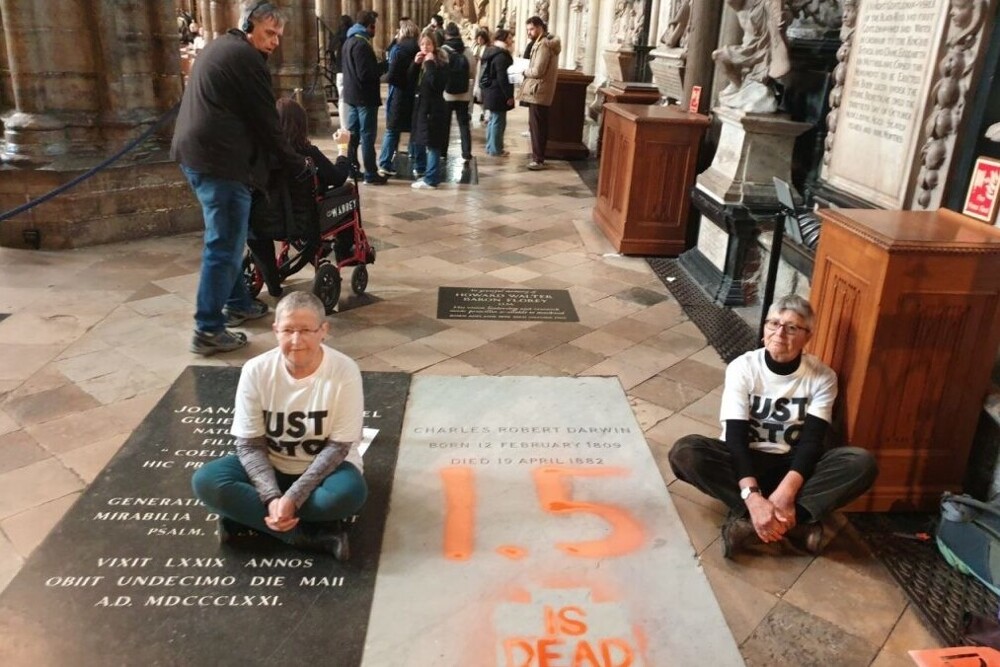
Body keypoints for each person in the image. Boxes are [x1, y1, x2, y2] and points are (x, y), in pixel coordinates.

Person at [668, 294, 878, 558]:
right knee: (685, 453)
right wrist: (753, 496)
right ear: (764, 328)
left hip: (793, 467)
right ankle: (785, 521)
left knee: (861, 463)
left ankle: (754, 523)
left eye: (791, 327)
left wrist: (787, 492)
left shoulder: (822, 377)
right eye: (773, 324)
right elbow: (735, 439)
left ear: (807, 336)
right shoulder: (743, 368)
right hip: (744, 462)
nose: (779, 333)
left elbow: (812, 442)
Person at [171, 0, 309, 356]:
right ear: (248, 26)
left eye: (278, 35)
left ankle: (238, 303)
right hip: (220, 163)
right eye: (269, 33)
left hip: (197, 156)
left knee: (228, 238)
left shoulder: (221, 46)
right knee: (224, 245)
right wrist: (297, 163)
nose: (274, 41)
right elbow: (268, 123)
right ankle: (207, 329)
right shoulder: (247, 59)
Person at [192, 291, 368, 561]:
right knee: (206, 481)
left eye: (306, 330)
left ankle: (246, 518)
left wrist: (291, 498)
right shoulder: (256, 370)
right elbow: (249, 445)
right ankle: (305, 536)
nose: (296, 341)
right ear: (275, 331)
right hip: (270, 465)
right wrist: (272, 497)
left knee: (350, 494)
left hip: (324, 472)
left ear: (323, 330)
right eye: (287, 331)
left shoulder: (344, 370)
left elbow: (338, 448)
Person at [247, 99, 353, 298]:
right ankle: (344, 250)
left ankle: (273, 284)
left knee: (256, 234)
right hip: (301, 224)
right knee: (348, 191)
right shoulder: (308, 154)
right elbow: (338, 177)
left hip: (262, 223)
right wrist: (343, 148)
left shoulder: (259, 154)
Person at [341, 10, 388, 185]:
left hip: (352, 96)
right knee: (367, 136)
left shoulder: (348, 41)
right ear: (370, 26)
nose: (375, 30)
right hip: (364, 98)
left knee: (353, 136)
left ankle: (352, 170)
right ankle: (370, 173)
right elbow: (365, 74)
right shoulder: (361, 44)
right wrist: (384, 66)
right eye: (374, 26)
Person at [377, 19, 421, 177]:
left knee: (392, 129)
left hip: (399, 94)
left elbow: (393, 75)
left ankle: (384, 163)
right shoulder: (418, 50)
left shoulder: (398, 49)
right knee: (415, 130)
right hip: (413, 94)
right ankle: (418, 164)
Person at [409, 29, 450, 190]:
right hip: (421, 107)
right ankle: (423, 171)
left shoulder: (440, 63)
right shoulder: (423, 62)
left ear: (434, 45)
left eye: (428, 44)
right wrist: (415, 64)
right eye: (422, 44)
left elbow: (437, 85)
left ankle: (432, 179)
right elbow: (410, 82)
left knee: (433, 144)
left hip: (434, 109)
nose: (425, 47)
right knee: (421, 140)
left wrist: (430, 63)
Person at [519, 16, 561, 171]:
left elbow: (538, 70)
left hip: (538, 90)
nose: (529, 32)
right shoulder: (544, 43)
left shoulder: (543, 45)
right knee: (538, 126)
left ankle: (538, 160)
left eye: (531, 29)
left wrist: (523, 71)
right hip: (540, 90)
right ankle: (539, 157)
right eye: (528, 29)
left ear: (539, 27)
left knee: (537, 127)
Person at [479, 29, 514, 157]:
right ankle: (496, 149)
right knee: (498, 121)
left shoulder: (491, 51)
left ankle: (490, 147)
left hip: (490, 90)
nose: (511, 40)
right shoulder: (501, 55)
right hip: (497, 92)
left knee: (493, 120)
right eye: (509, 38)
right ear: (503, 39)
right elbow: (502, 77)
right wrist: (508, 95)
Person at [441, 23, 473, 162]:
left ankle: (442, 152)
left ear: (446, 35)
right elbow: (472, 72)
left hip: (446, 94)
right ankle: (466, 153)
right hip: (463, 94)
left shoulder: (442, 51)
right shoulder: (467, 51)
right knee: (464, 125)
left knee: (444, 124)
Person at [470, 27, 491, 124]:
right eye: (478, 38)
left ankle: (485, 113)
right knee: (476, 95)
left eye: (481, 38)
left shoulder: (487, 48)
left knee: (482, 94)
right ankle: (482, 112)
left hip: (482, 71)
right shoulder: (475, 46)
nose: (479, 40)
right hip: (475, 71)